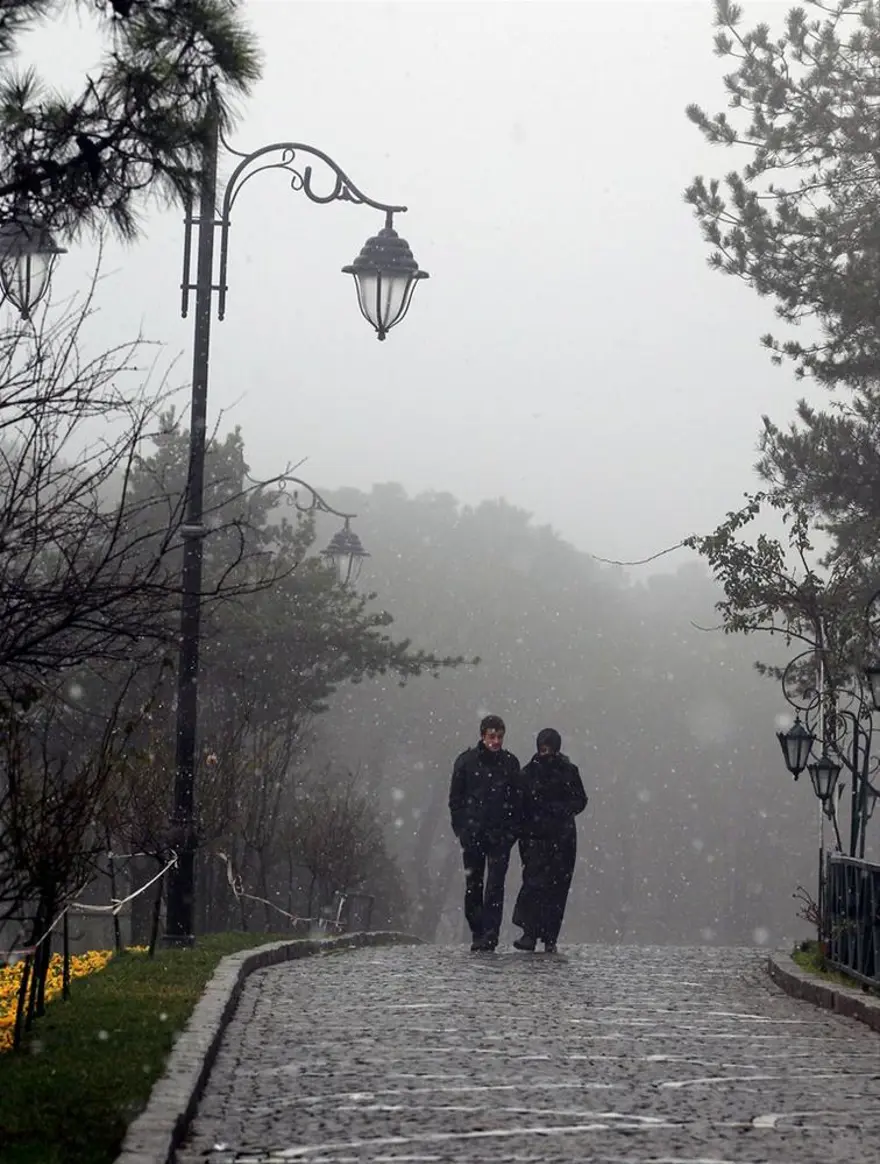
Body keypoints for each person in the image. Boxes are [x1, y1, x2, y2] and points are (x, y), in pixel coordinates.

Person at [449, 714, 522, 952]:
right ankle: (478, 931)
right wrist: (462, 830)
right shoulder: (466, 762)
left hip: (500, 835)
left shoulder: (510, 764)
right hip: (473, 834)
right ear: (483, 736)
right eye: (492, 736)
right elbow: (456, 799)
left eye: (500, 736)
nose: (496, 741)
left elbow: (518, 801)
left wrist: (511, 832)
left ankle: (490, 933)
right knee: (474, 885)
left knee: (495, 886)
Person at [513, 728, 587, 953]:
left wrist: (560, 810)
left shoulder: (568, 771)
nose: (545, 753)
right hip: (535, 838)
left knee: (557, 888)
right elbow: (519, 805)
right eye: (542, 748)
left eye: (549, 748)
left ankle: (549, 936)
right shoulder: (528, 773)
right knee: (533, 884)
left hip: (562, 838)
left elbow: (580, 800)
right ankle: (530, 932)